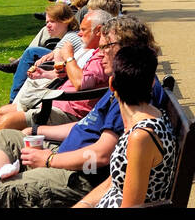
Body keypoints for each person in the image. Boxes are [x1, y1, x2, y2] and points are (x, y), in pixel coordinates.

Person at [0, 15, 164, 208]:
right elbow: (85, 124)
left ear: (128, 47)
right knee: (5, 136)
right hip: (68, 157)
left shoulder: (132, 92)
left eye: (105, 47)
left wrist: (48, 160)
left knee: (3, 188)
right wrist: (38, 129)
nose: (97, 54)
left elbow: (100, 157)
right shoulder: (126, 85)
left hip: (79, 174)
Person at [74, 45, 178, 208]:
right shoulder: (146, 119)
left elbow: (131, 206)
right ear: (151, 83)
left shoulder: (141, 136)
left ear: (111, 85)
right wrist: (84, 204)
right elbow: (114, 182)